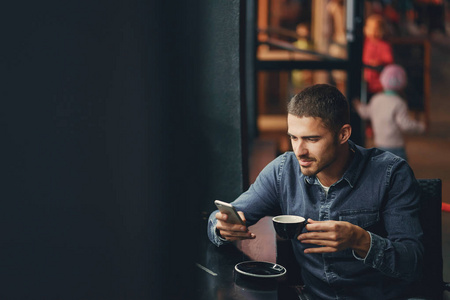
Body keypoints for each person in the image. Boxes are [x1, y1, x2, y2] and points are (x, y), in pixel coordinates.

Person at [208, 84, 424, 299]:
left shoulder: (391, 173)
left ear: (343, 134)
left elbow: (412, 262)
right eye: (294, 137)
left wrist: (360, 239)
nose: (299, 151)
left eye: (312, 139)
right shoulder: (283, 171)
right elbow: (221, 218)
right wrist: (221, 228)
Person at [353, 64, 426, 161]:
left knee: (381, 172)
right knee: (399, 173)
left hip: (379, 146)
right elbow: (405, 124)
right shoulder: (399, 103)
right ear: (403, 82)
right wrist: (421, 127)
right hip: (396, 147)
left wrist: (358, 105)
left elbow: (365, 113)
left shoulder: (376, 99)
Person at [363, 14, 394, 100]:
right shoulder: (365, 43)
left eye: (376, 29)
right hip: (366, 81)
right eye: (370, 28)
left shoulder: (384, 45)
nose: (373, 31)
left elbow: (389, 61)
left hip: (379, 84)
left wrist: (379, 63)